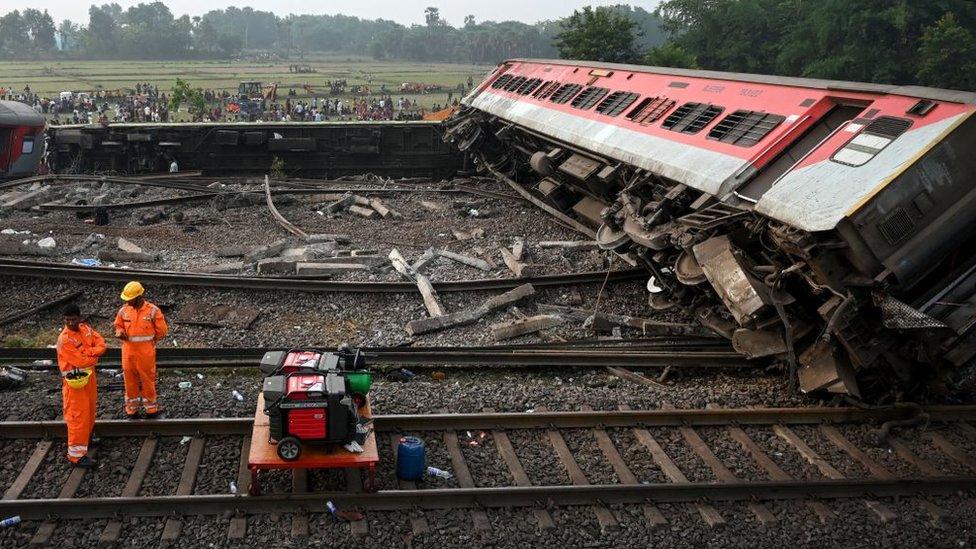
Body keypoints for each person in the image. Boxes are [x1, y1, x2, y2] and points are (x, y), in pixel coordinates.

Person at [56, 304, 106, 468]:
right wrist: (94, 355)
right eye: (67, 320)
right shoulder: (65, 339)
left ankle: (87, 439)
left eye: (73, 319)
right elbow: (81, 361)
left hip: (88, 378)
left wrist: (89, 352)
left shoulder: (85, 329)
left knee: (90, 410)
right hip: (74, 382)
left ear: (80, 318)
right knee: (78, 416)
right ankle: (76, 456)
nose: (70, 322)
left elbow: (101, 344)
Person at [114, 281, 168, 418]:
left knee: (147, 380)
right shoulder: (124, 310)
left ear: (138, 297)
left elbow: (162, 331)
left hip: (145, 353)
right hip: (128, 352)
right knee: (129, 380)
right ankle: (132, 410)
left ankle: (151, 409)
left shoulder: (153, 311)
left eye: (129, 299)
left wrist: (150, 342)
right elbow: (118, 326)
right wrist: (120, 332)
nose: (127, 301)